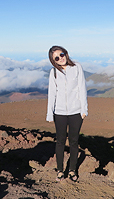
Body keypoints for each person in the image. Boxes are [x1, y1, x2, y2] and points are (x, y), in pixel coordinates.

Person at [46, 45, 88, 182]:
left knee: (74, 142)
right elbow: (52, 93)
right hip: (59, 113)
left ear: (66, 53)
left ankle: (72, 170)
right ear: (54, 61)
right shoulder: (53, 72)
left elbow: (82, 88)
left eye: (61, 54)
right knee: (60, 142)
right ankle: (59, 170)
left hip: (76, 112)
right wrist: (49, 113)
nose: (60, 58)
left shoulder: (77, 67)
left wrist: (84, 109)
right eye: (56, 58)